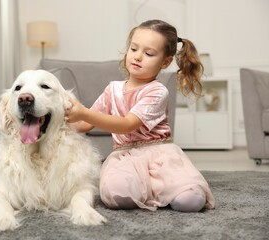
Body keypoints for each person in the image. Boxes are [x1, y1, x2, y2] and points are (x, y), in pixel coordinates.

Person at [65, 19, 215, 212]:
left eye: (149, 53)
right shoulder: (113, 89)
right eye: (134, 49)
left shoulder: (158, 91)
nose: (137, 57)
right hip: (124, 156)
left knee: (191, 201)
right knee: (117, 196)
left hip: (159, 156)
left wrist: (83, 112)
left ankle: (165, 188)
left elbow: (128, 124)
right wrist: (54, 124)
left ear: (165, 61)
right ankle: (151, 190)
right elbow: (85, 124)